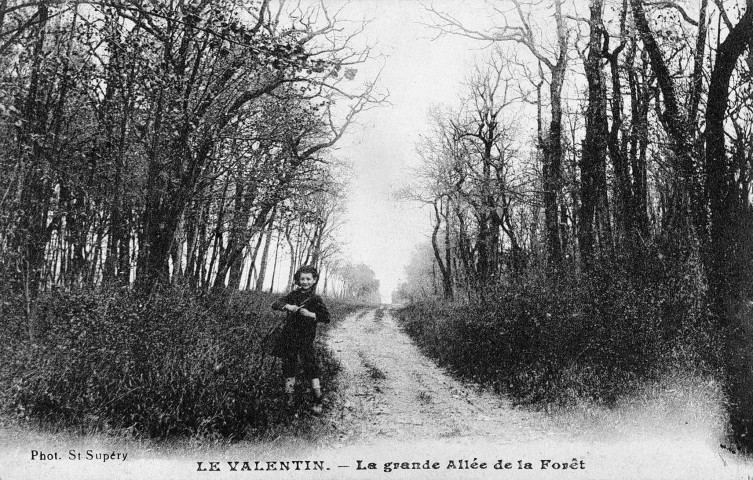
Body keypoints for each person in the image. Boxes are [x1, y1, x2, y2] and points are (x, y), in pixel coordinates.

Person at [270, 265, 330, 415]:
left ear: (314, 280)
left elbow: (326, 317)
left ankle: (317, 399)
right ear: (298, 280)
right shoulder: (292, 295)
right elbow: (275, 304)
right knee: (289, 366)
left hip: (306, 339)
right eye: (302, 279)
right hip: (289, 337)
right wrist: (288, 306)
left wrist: (310, 314)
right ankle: (288, 399)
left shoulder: (316, 299)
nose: (305, 282)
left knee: (311, 367)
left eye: (308, 279)